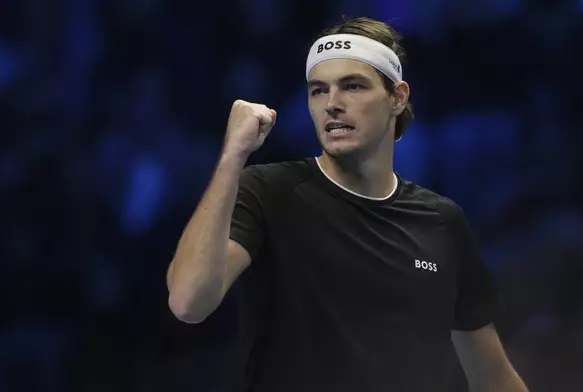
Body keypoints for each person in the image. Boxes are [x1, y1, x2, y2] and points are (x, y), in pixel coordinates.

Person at [167, 16, 529, 392]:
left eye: (352, 87)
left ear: (397, 97)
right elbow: (189, 302)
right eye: (318, 90)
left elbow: (494, 378)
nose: (332, 104)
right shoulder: (269, 190)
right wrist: (232, 155)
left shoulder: (442, 221)